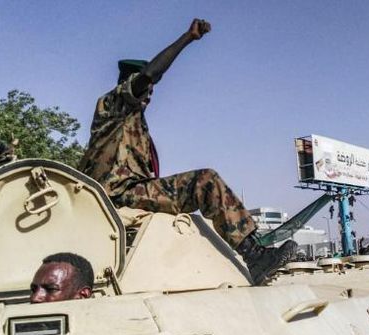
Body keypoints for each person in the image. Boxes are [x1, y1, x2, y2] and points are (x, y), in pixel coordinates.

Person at [77, 19, 295, 285]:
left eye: (151, 92)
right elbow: (149, 75)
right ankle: (255, 256)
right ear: (128, 83)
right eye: (145, 90)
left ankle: (253, 253)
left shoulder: (134, 124)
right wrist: (187, 38)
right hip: (117, 194)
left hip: (132, 190)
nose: (149, 95)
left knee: (197, 188)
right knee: (205, 181)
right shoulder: (111, 105)